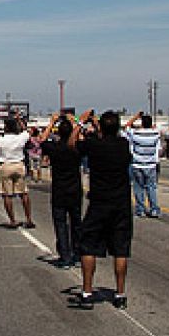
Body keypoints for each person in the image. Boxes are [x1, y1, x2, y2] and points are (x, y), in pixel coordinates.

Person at [70, 110, 133, 310]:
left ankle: (87, 292)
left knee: (89, 246)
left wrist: (80, 122)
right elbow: (111, 134)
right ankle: (120, 293)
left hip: (99, 202)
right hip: (121, 203)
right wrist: (101, 125)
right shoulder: (123, 145)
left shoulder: (94, 146)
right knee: (121, 249)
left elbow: (72, 144)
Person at [42, 115, 84, 268]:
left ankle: (65, 256)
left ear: (58, 132)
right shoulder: (76, 148)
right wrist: (75, 123)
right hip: (75, 189)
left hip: (59, 190)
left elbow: (42, 140)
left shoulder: (54, 147)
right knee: (76, 223)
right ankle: (78, 254)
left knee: (61, 224)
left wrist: (51, 122)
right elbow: (81, 138)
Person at [0, 118, 34, 227]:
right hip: (19, 165)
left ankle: (12, 220)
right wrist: (20, 121)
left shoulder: (1, 140)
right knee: (24, 193)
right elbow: (27, 132)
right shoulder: (20, 138)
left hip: (6, 165)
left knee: (7, 194)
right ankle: (28, 219)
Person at [123, 112, 162, 218]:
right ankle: (154, 209)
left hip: (137, 163)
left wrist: (135, 117)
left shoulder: (136, 133)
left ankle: (141, 210)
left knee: (138, 187)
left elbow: (126, 127)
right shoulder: (156, 134)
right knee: (151, 187)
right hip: (151, 164)